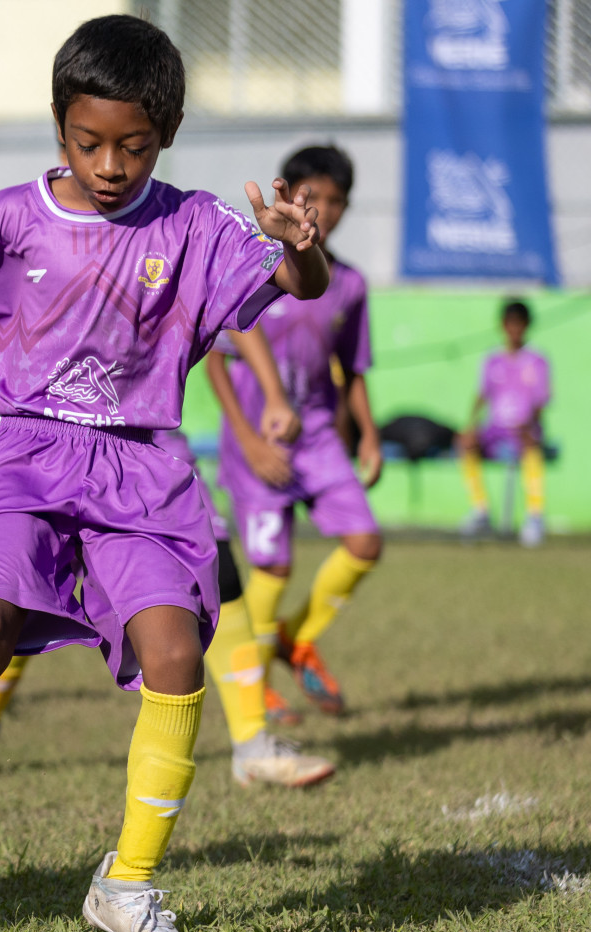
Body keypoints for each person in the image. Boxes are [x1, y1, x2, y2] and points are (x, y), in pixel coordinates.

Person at [0, 14, 329, 932]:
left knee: (172, 654)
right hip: (26, 454)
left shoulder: (195, 225)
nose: (111, 164)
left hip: (142, 467)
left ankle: (127, 886)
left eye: (133, 144)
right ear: (57, 124)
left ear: (165, 133)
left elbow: (298, 282)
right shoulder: (6, 219)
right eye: (88, 143)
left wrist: (301, 247)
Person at [0, 428, 335, 790]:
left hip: (155, 448)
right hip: (59, 445)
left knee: (222, 580)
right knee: (33, 595)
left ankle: (253, 745)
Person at [206, 145, 381, 720]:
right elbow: (215, 358)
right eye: (313, 197)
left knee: (364, 543)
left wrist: (371, 438)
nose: (323, 210)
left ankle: (295, 638)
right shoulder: (258, 271)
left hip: (321, 438)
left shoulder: (349, 284)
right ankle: (254, 693)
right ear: (290, 196)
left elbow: (353, 369)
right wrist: (249, 440)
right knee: (273, 568)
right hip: (258, 445)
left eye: (335, 201)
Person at [459, 299, 552, 547]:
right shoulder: (492, 360)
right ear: (502, 325)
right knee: (466, 443)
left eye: (519, 324)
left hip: (524, 429)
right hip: (495, 429)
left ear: (527, 326)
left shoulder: (537, 360)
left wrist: (529, 425)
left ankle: (534, 516)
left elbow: (540, 401)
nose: (514, 329)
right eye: (510, 323)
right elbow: (482, 395)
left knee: (531, 444)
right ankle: (481, 511)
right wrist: (471, 425)